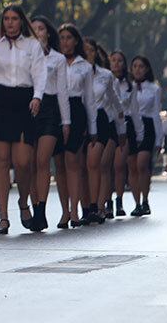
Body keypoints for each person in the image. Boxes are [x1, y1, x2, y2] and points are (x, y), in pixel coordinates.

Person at [0, 4, 46, 234]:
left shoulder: (32, 45)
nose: (10, 23)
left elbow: (40, 73)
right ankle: (3, 217)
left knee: (23, 162)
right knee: (1, 162)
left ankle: (23, 202)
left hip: (24, 101)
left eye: (14, 18)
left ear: (21, 21)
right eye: (6, 19)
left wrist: (37, 97)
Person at [26, 15, 68, 231]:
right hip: (29, 108)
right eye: (32, 29)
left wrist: (66, 121)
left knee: (43, 161)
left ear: (48, 32)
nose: (37, 32)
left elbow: (62, 92)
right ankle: (34, 209)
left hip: (50, 110)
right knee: (30, 163)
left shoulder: (58, 59)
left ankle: (42, 210)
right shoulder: (24, 56)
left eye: (40, 28)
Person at [58, 23, 93, 228]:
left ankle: (74, 211)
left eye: (69, 37)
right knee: (60, 163)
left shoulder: (84, 66)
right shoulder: (53, 61)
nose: (65, 42)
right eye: (61, 37)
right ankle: (63, 211)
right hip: (56, 110)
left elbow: (88, 99)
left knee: (73, 161)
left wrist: (92, 127)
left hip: (76, 109)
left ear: (76, 41)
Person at [84, 39, 119, 224]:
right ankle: (83, 206)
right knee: (82, 166)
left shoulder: (105, 75)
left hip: (101, 119)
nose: (88, 53)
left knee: (96, 164)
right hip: (80, 118)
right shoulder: (74, 71)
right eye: (85, 50)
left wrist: (120, 130)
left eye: (91, 50)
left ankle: (98, 205)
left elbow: (115, 102)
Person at [130, 55, 162, 216]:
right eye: (134, 66)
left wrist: (159, 138)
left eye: (141, 66)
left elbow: (156, 113)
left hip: (147, 125)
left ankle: (145, 200)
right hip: (130, 126)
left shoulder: (154, 88)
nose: (137, 69)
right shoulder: (126, 86)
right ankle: (136, 203)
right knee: (132, 166)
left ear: (147, 69)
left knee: (142, 164)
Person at [110, 50, 134, 217]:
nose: (117, 63)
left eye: (120, 60)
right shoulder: (104, 79)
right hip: (107, 123)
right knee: (105, 166)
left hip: (124, 124)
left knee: (119, 165)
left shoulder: (130, 84)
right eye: (113, 60)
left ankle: (119, 200)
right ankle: (106, 201)